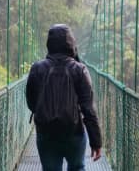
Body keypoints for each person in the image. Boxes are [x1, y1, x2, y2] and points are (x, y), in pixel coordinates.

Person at [26, 24, 102, 171]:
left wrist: (43, 110)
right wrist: (96, 141)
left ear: (49, 43)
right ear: (71, 44)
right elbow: (88, 109)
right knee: (77, 167)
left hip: (46, 133)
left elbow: (31, 102)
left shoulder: (37, 68)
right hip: (74, 132)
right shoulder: (80, 70)